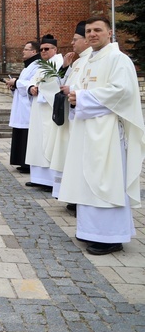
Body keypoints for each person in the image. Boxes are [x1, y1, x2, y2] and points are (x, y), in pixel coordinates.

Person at [58, 17, 145, 255]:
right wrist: (75, 97)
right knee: (87, 179)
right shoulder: (88, 62)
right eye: (89, 31)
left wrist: (82, 98)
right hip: (86, 130)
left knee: (106, 180)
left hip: (107, 133)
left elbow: (123, 92)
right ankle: (90, 231)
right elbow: (76, 88)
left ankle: (111, 237)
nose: (92, 34)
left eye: (98, 30)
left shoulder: (119, 60)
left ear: (110, 32)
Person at [47, 22, 91, 200]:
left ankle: (76, 197)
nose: (72, 43)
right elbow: (61, 82)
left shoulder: (89, 60)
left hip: (81, 116)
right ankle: (70, 195)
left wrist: (70, 89)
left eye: (75, 39)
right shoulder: (78, 60)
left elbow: (87, 86)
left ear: (86, 41)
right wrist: (65, 66)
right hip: (71, 116)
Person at [24, 35, 64, 190]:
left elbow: (59, 84)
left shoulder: (59, 63)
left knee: (49, 141)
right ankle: (38, 178)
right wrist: (31, 88)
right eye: (41, 49)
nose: (43, 51)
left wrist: (40, 88)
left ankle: (50, 180)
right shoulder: (42, 65)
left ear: (55, 49)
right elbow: (33, 81)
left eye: (47, 49)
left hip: (49, 109)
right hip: (38, 109)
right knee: (37, 141)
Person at [6, 41, 40, 173]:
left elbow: (33, 84)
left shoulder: (37, 66)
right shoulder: (28, 66)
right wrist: (14, 84)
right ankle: (20, 161)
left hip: (28, 106)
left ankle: (27, 163)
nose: (23, 51)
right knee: (20, 132)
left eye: (26, 49)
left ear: (34, 52)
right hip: (21, 105)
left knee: (27, 133)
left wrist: (16, 82)